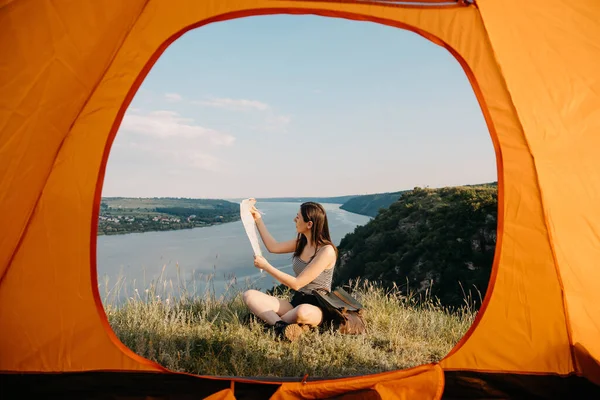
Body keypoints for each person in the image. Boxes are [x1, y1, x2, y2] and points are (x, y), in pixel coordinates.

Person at [242, 199, 338, 342]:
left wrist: (266, 266)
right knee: (249, 295)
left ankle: (269, 322)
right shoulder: (301, 244)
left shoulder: (326, 251)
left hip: (318, 306)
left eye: (298, 217)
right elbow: (273, 247)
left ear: (309, 224)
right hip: (297, 301)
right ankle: (282, 326)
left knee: (302, 312)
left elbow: (297, 284)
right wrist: (258, 220)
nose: (295, 220)